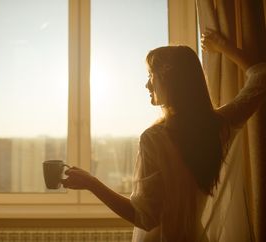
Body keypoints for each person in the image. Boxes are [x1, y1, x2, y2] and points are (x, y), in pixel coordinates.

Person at [61, 29, 266, 242]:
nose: (147, 84)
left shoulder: (154, 139)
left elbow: (144, 217)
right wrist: (224, 47)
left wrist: (92, 183)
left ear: (168, 79)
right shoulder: (217, 126)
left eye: (151, 75)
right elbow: (260, 77)